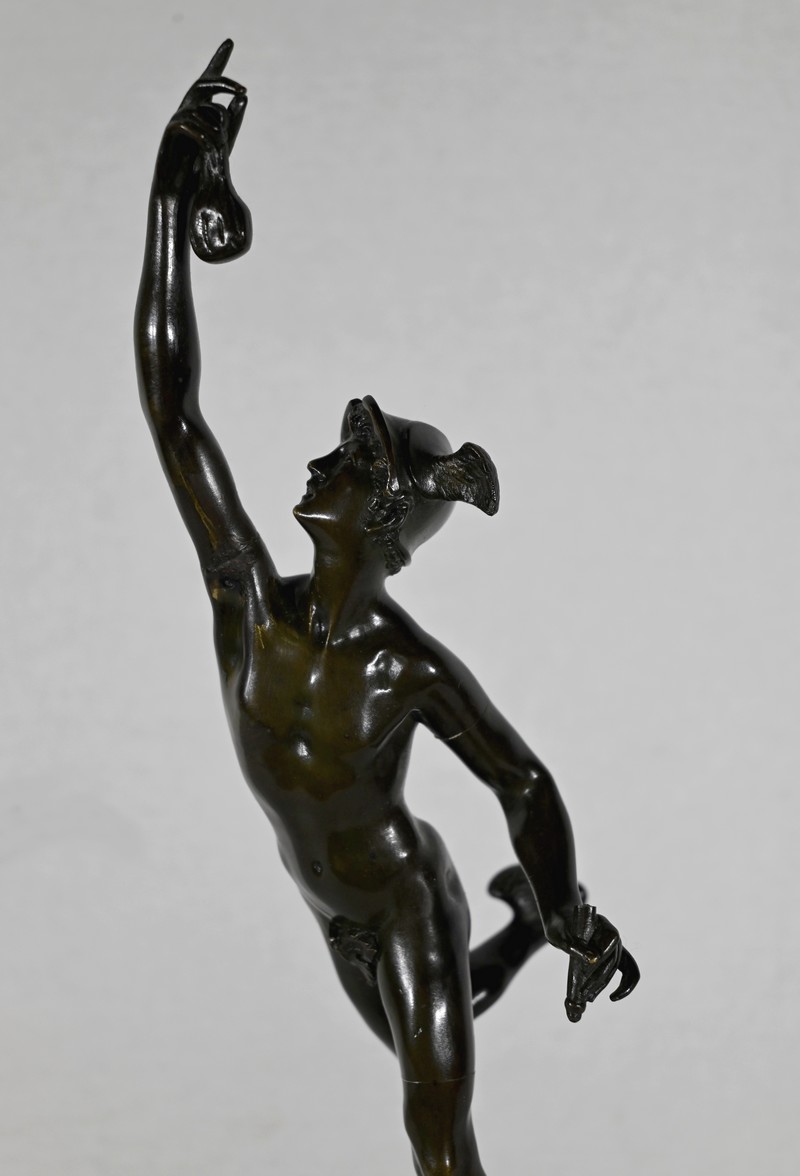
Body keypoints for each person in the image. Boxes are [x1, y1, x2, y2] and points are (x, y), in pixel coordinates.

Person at [135, 42, 638, 1176]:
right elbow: (173, 410)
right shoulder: (244, 598)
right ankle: (515, 931)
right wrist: (170, 191)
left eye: (352, 462)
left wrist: (576, 917)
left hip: (402, 901)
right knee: (444, 1021)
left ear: (386, 522)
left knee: (436, 1133)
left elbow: (521, 780)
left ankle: (524, 923)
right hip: (327, 907)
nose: (322, 462)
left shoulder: (403, 670)